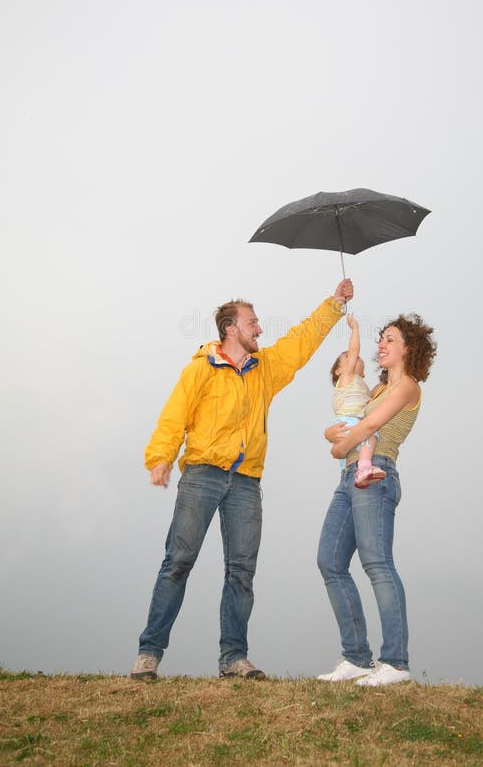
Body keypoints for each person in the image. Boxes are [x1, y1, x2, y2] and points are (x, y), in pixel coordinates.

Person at [130, 278, 354, 682]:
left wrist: (334, 304)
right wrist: (161, 458)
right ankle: (149, 654)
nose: (260, 330)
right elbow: (174, 414)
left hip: (246, 482)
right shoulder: (201, 369)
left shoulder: (265, 369)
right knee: (178, 562)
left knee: (241, 572)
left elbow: (300, 342)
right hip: (202, 475)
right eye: (253, 323)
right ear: (230, 328)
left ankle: (233, 658)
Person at [317, 312, 436, 686]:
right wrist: (329, 434)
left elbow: (369, 426)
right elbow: (351, 416)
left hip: (377, 474)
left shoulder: (408, 387)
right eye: (380, 338)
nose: (380, 345)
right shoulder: (376, 390)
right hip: (350, 477)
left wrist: (339, 449)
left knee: (377, 564)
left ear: (408, 349)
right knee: (330, 561)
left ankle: (396, 662)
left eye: (389, 339)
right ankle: (356, 657)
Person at [330, 313, 384, 488]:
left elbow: (377, 393)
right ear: (339, 370)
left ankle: (351, 474)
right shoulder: (346, 377)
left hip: (351, 423)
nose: (352, 356)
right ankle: (364, 467)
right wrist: (354, 328)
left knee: (347, 464)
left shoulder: (361, 386)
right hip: (348, 421)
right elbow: (354, 350)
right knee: (372, 435)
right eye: (347, 357)